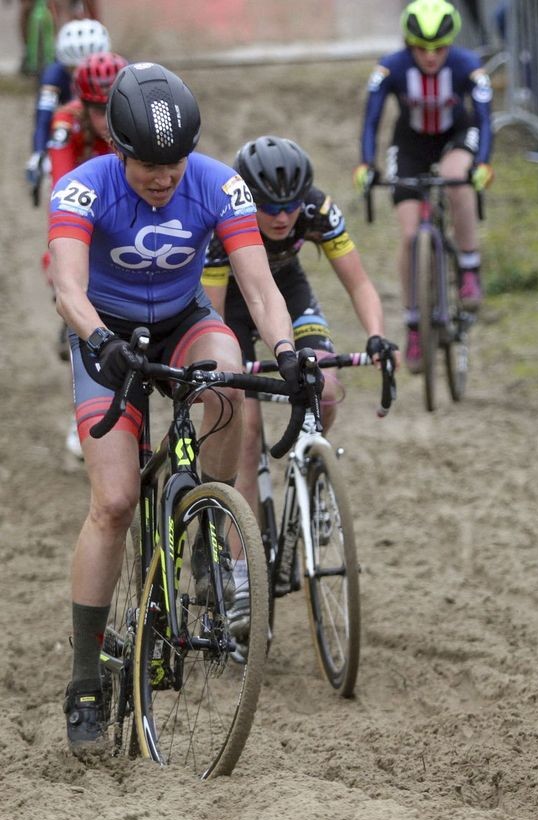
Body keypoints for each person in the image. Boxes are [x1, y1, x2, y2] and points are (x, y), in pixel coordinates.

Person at [49, 62, 313, 757]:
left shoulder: (219, 183)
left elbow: (257, 288)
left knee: (228, 379)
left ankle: (202, 520)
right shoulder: (82, 187)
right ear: (118, 150)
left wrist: (284, 350)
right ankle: (82, 677)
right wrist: (96, 338)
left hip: (184, 319)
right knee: (111, 501)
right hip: (105, 334)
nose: (164, 177)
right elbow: (68, 287)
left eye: (175, 162)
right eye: (148, 166)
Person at [203, 135, 395, 617]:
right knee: (243, 433)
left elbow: (360, 282)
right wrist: (223, 373)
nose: (283, 217)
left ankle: (311, 471)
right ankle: (241, 569)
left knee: (326, 389)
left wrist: (375, 336)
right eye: (270, 206)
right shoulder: (222, 221)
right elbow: (212, 315)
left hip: (288, 292)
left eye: (290, 205)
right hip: (235, 305)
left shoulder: (317, 210)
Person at [356, 0, 494, 374]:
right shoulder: (391, 67)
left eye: (439, 49)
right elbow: (371, 120)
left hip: (455, 134)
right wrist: (367, 164)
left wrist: (481, 163)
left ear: (451, 44)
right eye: (421, 48)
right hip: (411, 143)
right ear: (407, 43)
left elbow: (484, 118)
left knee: (456, 180)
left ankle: (468, 266)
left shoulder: (466, 66)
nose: (430, 57)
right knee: (409, 234)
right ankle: (414, 322)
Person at [44, 50, 128, 459]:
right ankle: (84, 412)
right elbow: (62, 189)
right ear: (84, 106)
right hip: (79, 222)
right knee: (82, 328)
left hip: (121, 231)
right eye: (99, 111)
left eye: (113, 109)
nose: (107, 121)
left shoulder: (134, 120)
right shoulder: (67, 122)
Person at [26, 18, 110, 191]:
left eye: (91, 69)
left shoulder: (116, 70)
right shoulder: (54, 75)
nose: (82, 76)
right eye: (74, 69)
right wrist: (38, 152)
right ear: (65, 65)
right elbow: (43, 117)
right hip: (73, 125)